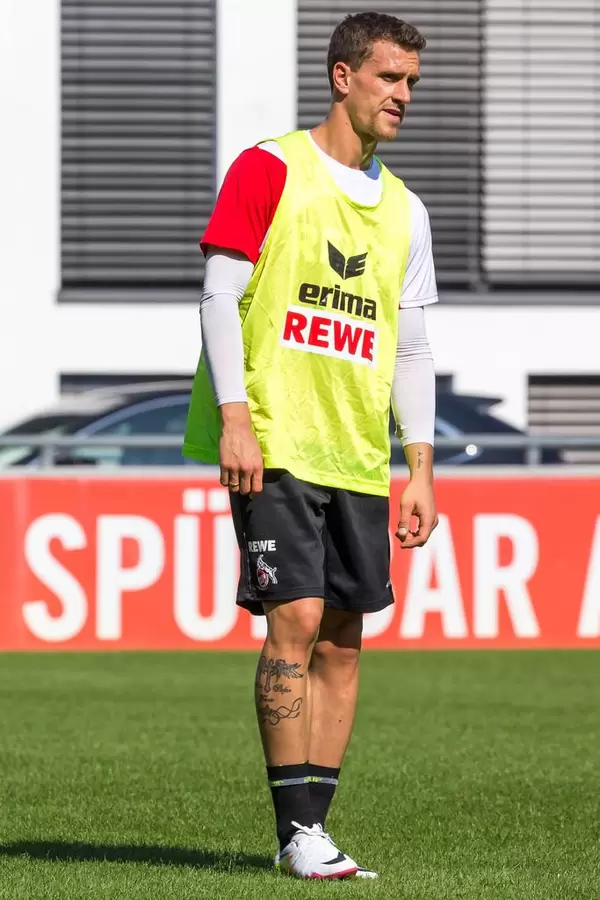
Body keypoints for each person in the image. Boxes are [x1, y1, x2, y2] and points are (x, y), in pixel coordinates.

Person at [183, 10, 439, 881]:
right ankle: (296, 835)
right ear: (342, 77)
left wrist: (420, 470)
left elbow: (409, 345)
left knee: (342, 637)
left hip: (359, 454)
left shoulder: (406, 210)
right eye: (389, 79)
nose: (404, 96)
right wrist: (238, 416)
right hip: (278, 438)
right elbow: (221, 295)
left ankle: (315, 830)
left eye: (411, 82)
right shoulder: (268, 168)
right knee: (291, 618)